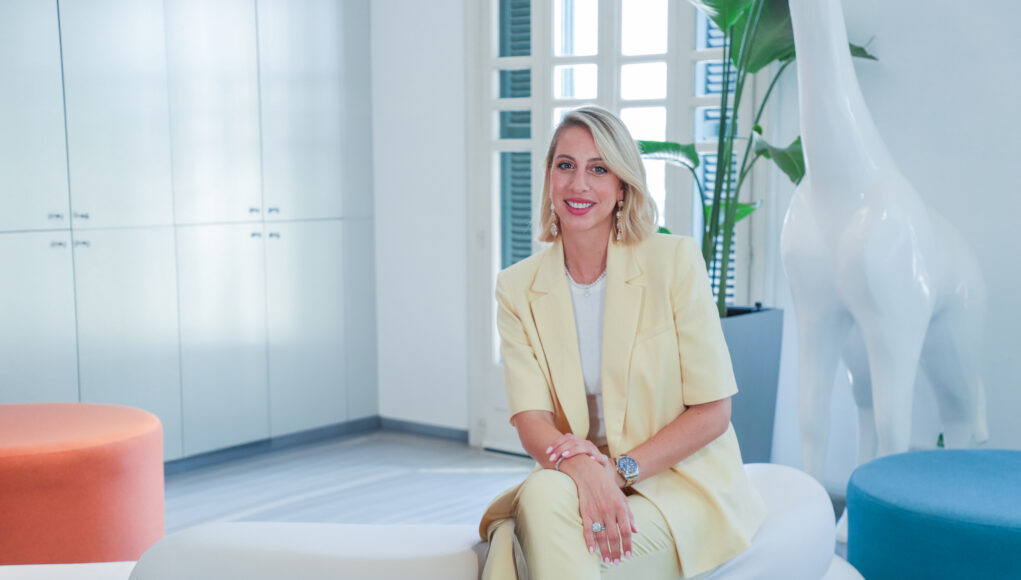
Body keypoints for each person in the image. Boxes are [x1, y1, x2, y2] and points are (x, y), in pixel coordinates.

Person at [478, 106, 766, 579]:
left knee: (530, 542)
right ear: (549, 178)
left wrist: (614, 472)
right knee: (541, 494)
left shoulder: (674, 262)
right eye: (565, 165)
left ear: (622, 187)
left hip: (679, 483)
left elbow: (713, 412)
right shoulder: (517, 288)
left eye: (599, 169)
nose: (578, 184)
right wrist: (585, 470)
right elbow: (532, 422)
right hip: (576, 479)